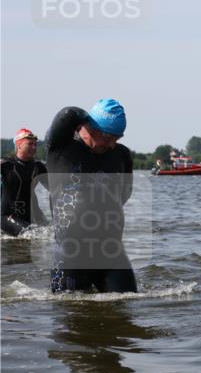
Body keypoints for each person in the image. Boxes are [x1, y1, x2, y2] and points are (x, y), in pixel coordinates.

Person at [45, 99, 137, 293]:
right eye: (109, 136)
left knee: (127, 308)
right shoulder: (61, 149)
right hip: (72, 256)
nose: (113, 144)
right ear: (91, 127)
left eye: (117, 138)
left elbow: (124, 193)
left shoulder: (122, 155)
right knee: (71, 313)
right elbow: (67, 113)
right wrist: (90, 118)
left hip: (112, 253)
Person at [2, 129, 48, 236]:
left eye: (35, 144)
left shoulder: (38, 167)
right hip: (7, 216)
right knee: (31, 234)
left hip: (32, 216)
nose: (34, 147)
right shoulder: (6, 165)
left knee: (51, 233)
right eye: (30, 144)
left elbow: (53, 189)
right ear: (19, 145)